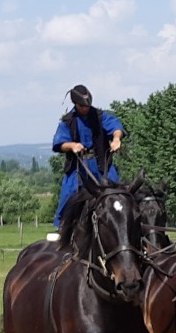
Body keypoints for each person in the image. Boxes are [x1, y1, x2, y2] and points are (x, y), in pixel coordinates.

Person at [50, 84, 126, 235]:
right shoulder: (68, 121)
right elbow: (59, 143)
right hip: (79, 165)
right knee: (69, 193)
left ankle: (125, 224)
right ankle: (62, 228)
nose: (85, 108)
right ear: (76, 104)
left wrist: (117, 139)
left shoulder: (99, 116)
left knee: (118, 191)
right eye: (82, 106)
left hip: (101, 163)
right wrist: (72, 145)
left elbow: (115, 126)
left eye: (87, 105)